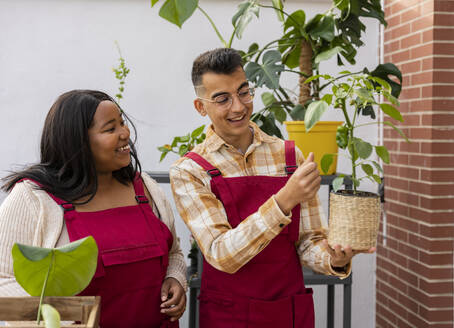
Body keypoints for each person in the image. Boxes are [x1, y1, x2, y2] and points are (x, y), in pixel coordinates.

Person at [169, 48, 374, 328]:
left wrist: (333, 258)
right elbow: (221, 254)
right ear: (201, 107)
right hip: (229, 316)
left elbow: (308, 242)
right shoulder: (190, 171)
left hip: (288, 313)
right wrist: (283, 201)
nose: (239, 107)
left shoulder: (291, 156)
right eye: (222, 99)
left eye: (244, 92)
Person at [0, 90, 187, 327]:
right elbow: (3, 281)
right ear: (77, 142)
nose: (125, 134)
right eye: (110, 129)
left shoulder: (145, 188)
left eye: (122, 123)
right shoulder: (33, 198)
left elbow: (173, 253)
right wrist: (67, 317)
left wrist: (175, 277)